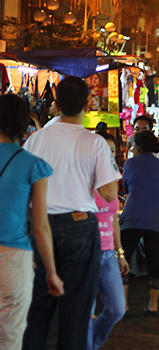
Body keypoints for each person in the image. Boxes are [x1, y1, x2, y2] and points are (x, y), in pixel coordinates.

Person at [22, 76, 121, 350]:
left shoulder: (35, 141)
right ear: (88, 103)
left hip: (41, 227)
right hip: (79, 229)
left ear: (55, 103)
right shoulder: (95, 144)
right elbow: (110, 194)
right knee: (76, 313)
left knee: (37, 310)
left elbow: (25, 188)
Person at [0, 94, 63, 350]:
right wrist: (51, 272)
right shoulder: (33, 165)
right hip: (14, 260)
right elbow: (40, 226)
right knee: (10, 336)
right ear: (23, 123)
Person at [119, 130, 159, 315]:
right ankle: (153, 305)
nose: (132, 148)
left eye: (133, 146)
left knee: (123, 260)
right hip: (156, 218)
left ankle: (123, 305)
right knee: (155, 261)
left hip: (132, 217)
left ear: (138, 148)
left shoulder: (129, 164)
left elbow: (127, 186)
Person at [88, 132, 128, 350]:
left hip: (109, 253)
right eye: (104, 150)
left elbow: (113, 219)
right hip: (88, 252)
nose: (108, 154)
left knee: (117, 308)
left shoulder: (112, 180)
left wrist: (120, 253)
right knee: (86, 310)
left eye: (111, 151)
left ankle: (91, 343)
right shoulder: (83, 177)